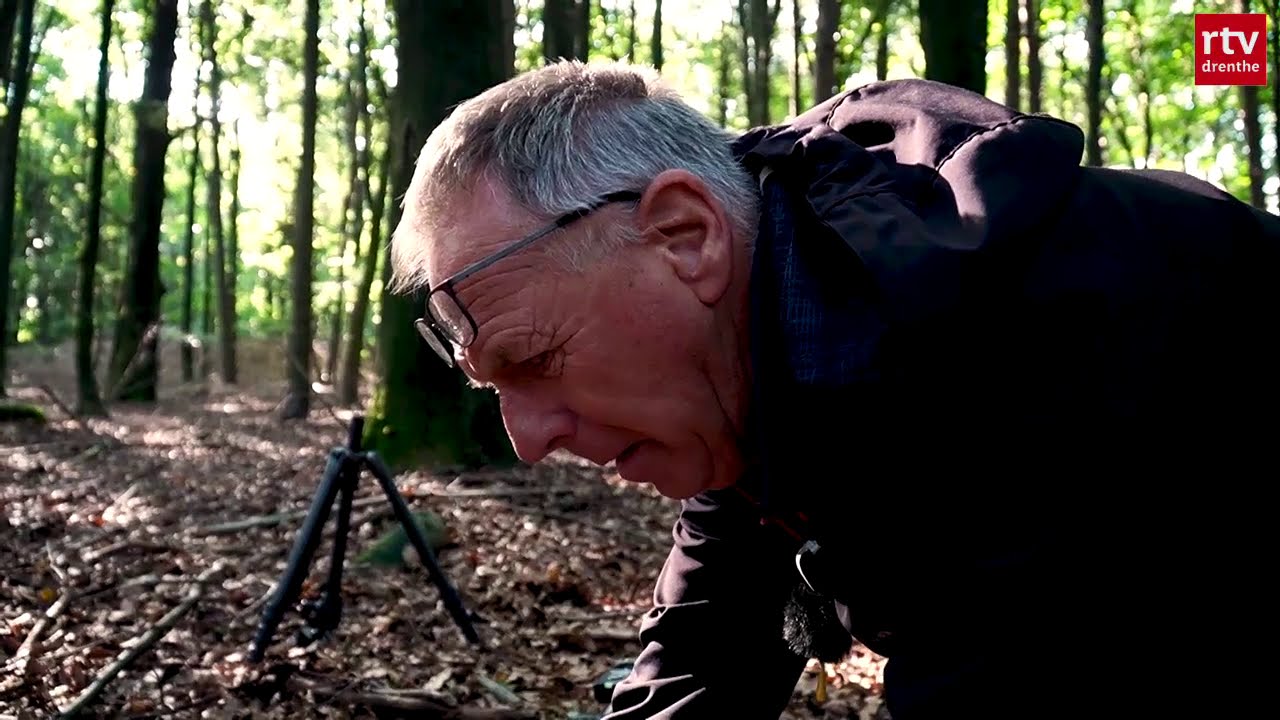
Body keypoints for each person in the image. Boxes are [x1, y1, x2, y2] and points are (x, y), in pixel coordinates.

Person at [390, 60, 1279, 720]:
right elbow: (712, 645)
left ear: (686, 236)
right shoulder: (758, 356)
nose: (527, 438)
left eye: (536, 358)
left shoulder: (1031, 348)